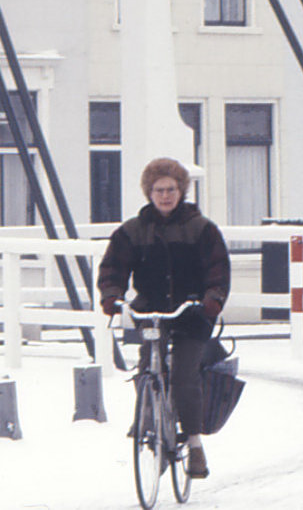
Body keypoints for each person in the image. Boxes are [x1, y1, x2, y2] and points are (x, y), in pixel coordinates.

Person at [98, 157, 230, 479]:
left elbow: (218, 270)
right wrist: (112, 296)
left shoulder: (201, 229)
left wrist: (212, 299)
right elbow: (113, 267)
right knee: (146, 369)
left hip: (192, 312)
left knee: (185, 376)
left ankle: (195, 445)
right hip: (152, 310)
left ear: (181, 191)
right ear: (149, 192)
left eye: (171, 189)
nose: (166, 196)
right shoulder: (133, 231)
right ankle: (150, 422)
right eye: (159, 190)